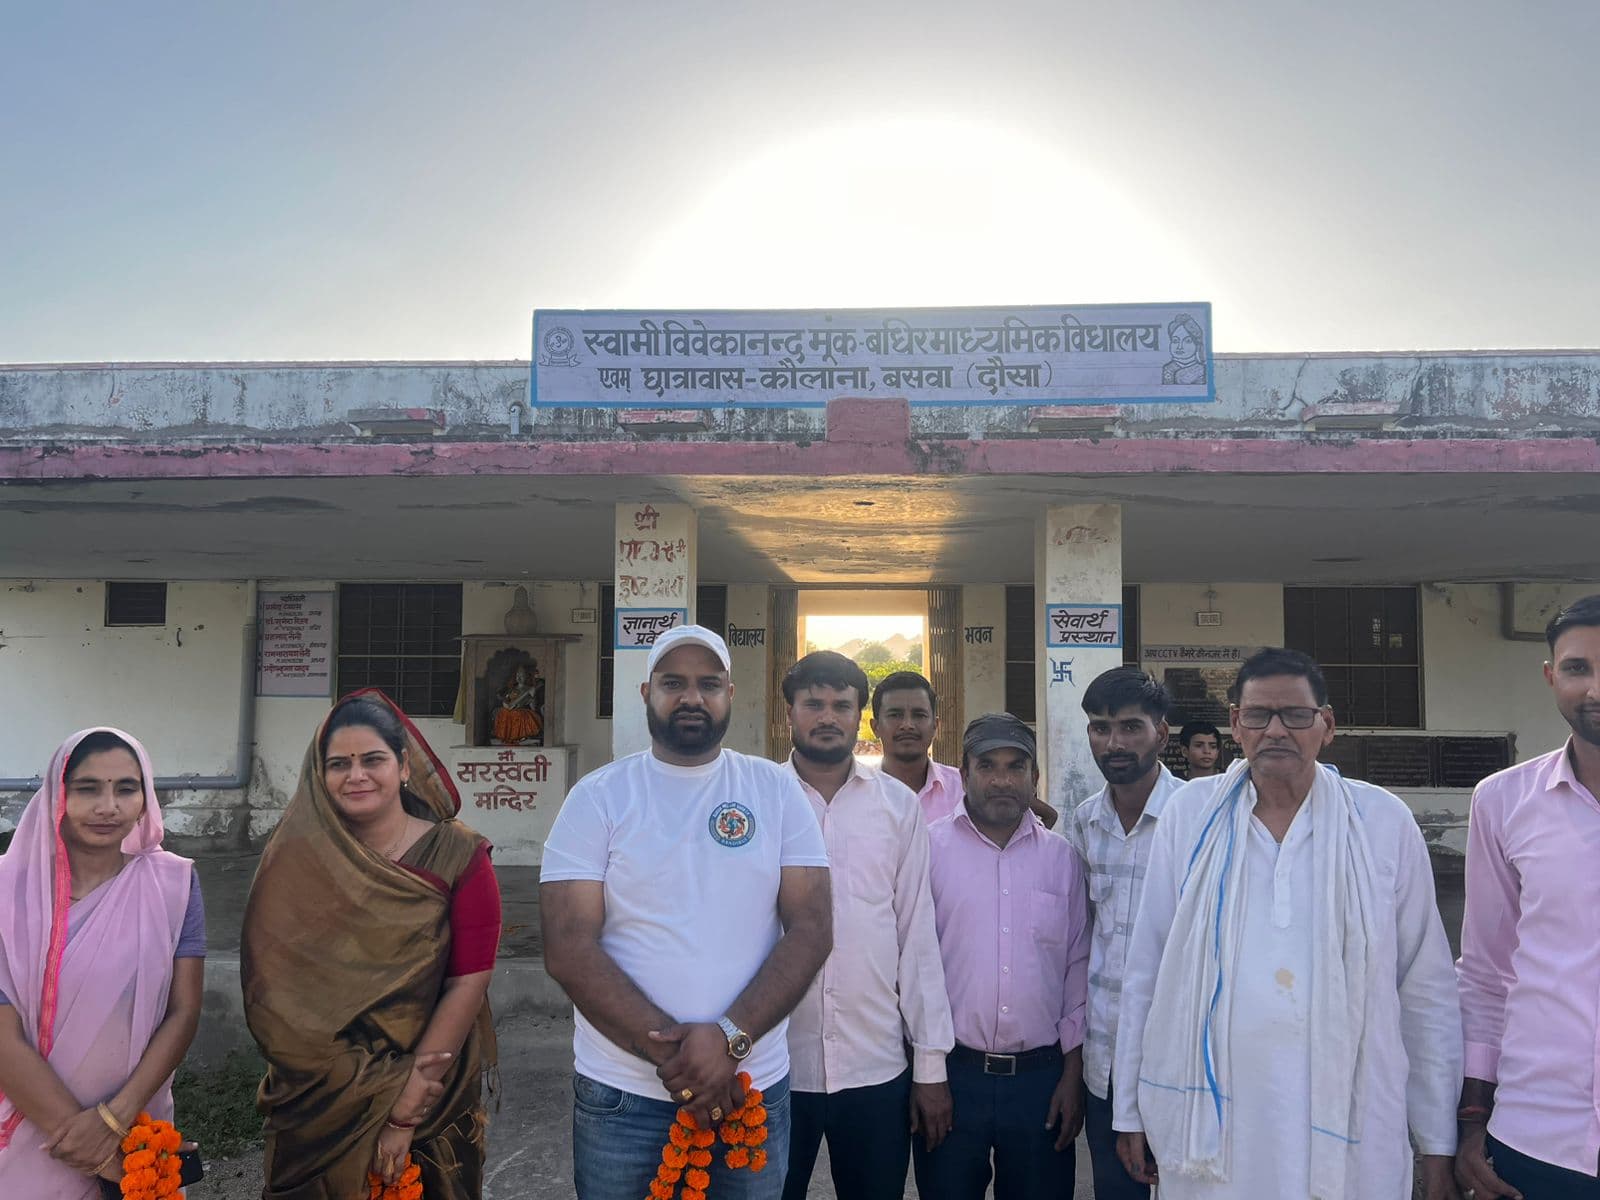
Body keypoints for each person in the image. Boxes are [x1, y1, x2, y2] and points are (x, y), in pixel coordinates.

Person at [1112, 648, 1462, 1199]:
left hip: (1352, 1123)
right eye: (1258, 715)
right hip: (1213, 1124)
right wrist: (1129, 1110)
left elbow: (1425, 990)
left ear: (1327, 725)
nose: (1276, 730)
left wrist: (1438, 1139)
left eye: (1296, 715)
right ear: (1235, 724)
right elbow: (1148, 969)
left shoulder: (1382, 821)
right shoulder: (1191, 815)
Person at [540, 625, 833, 1200]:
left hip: (748, 1087)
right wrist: (682, 1061)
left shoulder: (774, 790)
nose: (692, 698)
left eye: (709, 684)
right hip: (623, 1096)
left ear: (731, 696)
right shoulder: (598, 798)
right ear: (646, 692)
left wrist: (730, 1041)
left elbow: (812, 928)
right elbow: (569, 946)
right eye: (674, 683)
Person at [242, 690, 501, 1199]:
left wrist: (406, 1106)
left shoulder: (456, 854)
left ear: (404, 767)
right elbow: (270, 985)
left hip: (431, 1094)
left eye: (372, 760)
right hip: (317, 1093)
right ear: (320, 776)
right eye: (338, 764)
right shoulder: (297, 860)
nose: (355, 775)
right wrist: (347, 1075)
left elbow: (468, 979)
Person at [0, 728, 204, 1199]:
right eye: (88, 788)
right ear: (58, 794)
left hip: (135, 1127)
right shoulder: (8, 893)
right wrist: (94, 1149)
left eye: (126, 788)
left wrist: (115, 1120)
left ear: (145, 797)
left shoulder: (173, 886)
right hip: (30, 1131)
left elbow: (184, 1011)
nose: (108, 805)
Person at [779, 652, 953, 1200]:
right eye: (814, 703)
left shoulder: (898, 808)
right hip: (773, 1064)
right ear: (791, 712)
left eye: (841, 705)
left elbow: (916, 938)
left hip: (874, 1066)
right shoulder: (759, 801)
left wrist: (929, 1066)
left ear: (859, 717)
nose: (827, 716)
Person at [1455, 593, 1600, 1199]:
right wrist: (1470, 1122)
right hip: (1538, 1140)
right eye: (1578, 668)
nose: (1596, 689)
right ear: (1550, 676)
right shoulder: (1502, 801)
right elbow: (1487, 971)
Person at [915, 712, 1090, 1200]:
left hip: (1041, 1083)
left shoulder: (1063, 860)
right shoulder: (928, 850)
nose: (1002, 779)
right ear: (963, 773)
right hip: (954, 1078)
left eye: (1016, 766)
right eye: (987, 765)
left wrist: (1072, 1077)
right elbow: (915, 969)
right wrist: (926, 1077)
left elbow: (1077, 972)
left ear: (1035, 777)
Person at [1064, 669, 1183, 1200]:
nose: (1113, 743)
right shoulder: (1084, 823)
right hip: (1106, 1062)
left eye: (1131, 727)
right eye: (1100, 727)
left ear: (1162, 732)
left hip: (1180, 1058)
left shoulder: (1196, 817)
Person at [872, 670, 1057, 828]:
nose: (907, 725)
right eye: (895, 715)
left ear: (935, 725)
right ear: (875, 726)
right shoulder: (856, 794)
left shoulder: (967, 785)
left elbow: (1045, 817)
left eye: (919, 715)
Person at [491, 663, 544, 745]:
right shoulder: (513, 689)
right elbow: (507, 700)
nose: (519, 677)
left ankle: (520, 737)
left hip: (522, 711)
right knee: (502, 712)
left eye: (521, 675)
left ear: (526, 676)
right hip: (509, 709)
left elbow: (533, 706)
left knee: (517, 714)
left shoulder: (530, 689)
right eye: (517, 675)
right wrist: (505, 704)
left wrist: (532, 698)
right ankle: (507, 736)